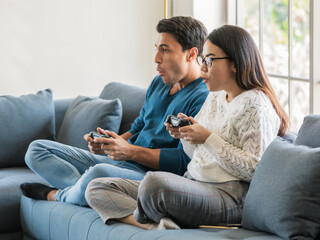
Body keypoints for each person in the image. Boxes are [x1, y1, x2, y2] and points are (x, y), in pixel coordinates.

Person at [84, 25, 289, 230]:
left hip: (230, 196)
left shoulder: (254, 104)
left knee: (153, 185)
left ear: (235, 63)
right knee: (97, 186)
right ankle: (156, 226)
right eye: (203, 60)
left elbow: (255, 169)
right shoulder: (216, 96)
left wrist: (207, 138)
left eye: (210, 60)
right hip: (193, 182)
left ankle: (150, 218)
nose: (203, 68)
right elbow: (195, 155)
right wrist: (186, 135)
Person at [20, 16, 209, 206]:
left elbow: (183, 160)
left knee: (98, 174)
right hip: (121, 163)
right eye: (157, 48)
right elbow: (141, 124)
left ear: (191, 54)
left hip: (149, 176)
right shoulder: (159, 82)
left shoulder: (203, 97)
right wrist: (113, 143)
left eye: (165, 50)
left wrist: (130, 152)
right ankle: (85, 192)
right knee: (37, 150)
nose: (156, 58)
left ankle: (56, 195)